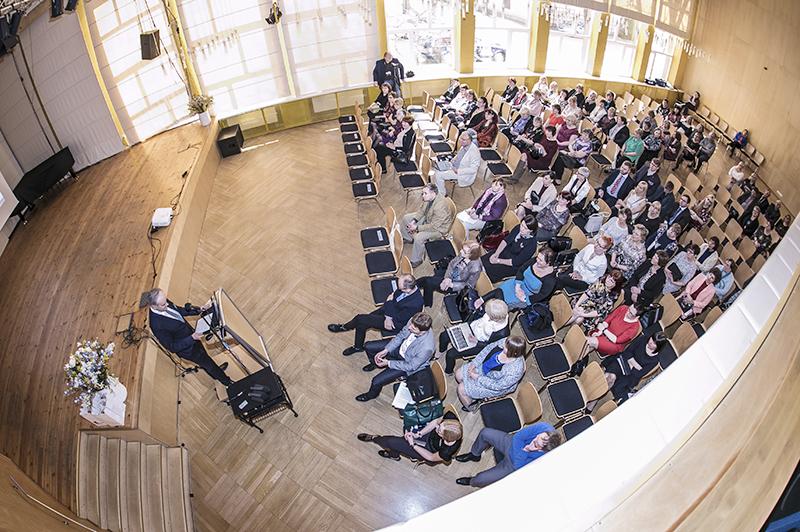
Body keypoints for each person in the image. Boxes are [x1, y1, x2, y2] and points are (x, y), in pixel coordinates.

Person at [146, 288, 233, 386]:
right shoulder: (156, 325)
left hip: (193, 337)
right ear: (154, 306)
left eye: (166, 301)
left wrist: (198, 310)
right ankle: (227, 382)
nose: (167, 304)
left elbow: (178, 311)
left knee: (207, 361)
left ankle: (216, 373)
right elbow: (172, 347)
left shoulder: (163, 302)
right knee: (208, 364)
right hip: (188, 350)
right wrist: (191, 338)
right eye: (163, 305)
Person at [328, 274, 423, 356]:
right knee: (362, 324)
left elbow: (398, 317)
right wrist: (389, 312)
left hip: (394, 323)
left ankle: (345, 327)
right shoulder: (410, 286)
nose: (398, 289)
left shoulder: (415, 304)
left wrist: (389, 302)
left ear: (408, 290)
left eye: (400, 288)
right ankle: (358, 347)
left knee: (360, 318)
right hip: (389, 312)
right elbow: (394, 296)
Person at [356, 312, 434, 401]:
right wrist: (386, 350)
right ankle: (375, 364)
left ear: (423, 332)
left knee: (376, 381)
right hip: (400, 348)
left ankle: (371, 395)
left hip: (406, 362)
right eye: (410, 325)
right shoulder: (413, 321)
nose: (409, 328)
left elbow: (411, 366)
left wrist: (388, 363)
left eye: (413, 328)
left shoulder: (427, 347)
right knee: (368, 346)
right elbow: (400, 336)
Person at [454, 423, 562, 487]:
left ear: (542, 450)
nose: (534, 440)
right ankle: (475, 455)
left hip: (512, 465)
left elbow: (518, 466)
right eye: (537, 437)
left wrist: (526, 450)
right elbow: (519, 436)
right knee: (485, 433)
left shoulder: (544, 458)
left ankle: (471, 481)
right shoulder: (544, 427)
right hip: (511, 443)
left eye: (536, 444)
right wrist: (520, 453)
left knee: (481, 479)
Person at [357, 411, 462, 463]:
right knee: (406, 429)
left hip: (427, 450)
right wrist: (418, 434)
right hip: (427, 434)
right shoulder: (450, 420)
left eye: (439, 430)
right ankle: (394, 455)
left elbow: (430, 457)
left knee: (391, 442)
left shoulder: (447, 451)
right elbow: (435, 423)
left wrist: (413, 444)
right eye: (441, 425)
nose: (437, 427)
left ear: (444, 437)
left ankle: (375, 438)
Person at [438, 299, 510, 376]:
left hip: (478, 343)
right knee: (444, 335)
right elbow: (497, 292)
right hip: (472, 327)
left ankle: (448, 372)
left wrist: (476, 342)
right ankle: (442, 350)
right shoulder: (498, 309)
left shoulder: (502, 333)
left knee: (450, 354)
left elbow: (491, 347)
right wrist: (481, 299)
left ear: (494, 318)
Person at [455, 336, 526, 411]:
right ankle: (471, 395)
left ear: (513, 353)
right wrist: (475, 363)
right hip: (482, 367)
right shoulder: (507, 342)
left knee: (461, 389)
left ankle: (472, 407)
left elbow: (497, 386)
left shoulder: (515, 371)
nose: (503, 345)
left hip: (492, 385)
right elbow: (488, 349)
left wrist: (478, 378)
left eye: (506, 347)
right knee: (458, 375)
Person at [476, 247, 557, 310]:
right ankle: (482, 300)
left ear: (548, 263)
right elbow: (521, 269)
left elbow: (541, 296)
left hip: (527, 295)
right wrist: (517, 286)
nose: (537, 260)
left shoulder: (550, 280)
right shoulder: (535, 261)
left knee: (502, 304)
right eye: (538, 257)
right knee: (500, 290)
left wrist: (525, 299)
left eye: (540, 260)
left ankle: (494, 313)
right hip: (519, 282)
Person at [600, 332, 667, 403]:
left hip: (631, 375)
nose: (650, 342)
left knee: (612, 378)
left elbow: (639, 374)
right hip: (623, 362)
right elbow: (627, 352)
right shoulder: (643, 339)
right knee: (610, 376)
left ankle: (596, 395)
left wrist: (631, 361)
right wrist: (636, 365)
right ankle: (597, 394)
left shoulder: (654, 360)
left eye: (654, 343)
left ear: (658, 347)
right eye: (652, 339)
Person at [400, 184, 453, 267]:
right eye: (422, 193)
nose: (423, 195)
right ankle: (408, 238)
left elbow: (434, 227)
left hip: (439, 228)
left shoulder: (440, 207)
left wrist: (416, 228)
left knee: (418, 238)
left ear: (433, 194)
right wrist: (414, 221)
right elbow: (421, 210)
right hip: (429, 217)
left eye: (425, 193)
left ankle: (416, 260)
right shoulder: (429, 198)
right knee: (406, 218)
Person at [417, 241, 483, 307]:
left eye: (464, 251)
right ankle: (426, 302)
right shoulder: (463, 254)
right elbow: (452, 264)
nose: (461, 251)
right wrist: (447, 278)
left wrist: (451, 284)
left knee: (427, 281)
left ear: (471, 255)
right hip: (451, 274)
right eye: (462, 248)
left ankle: (413, 286)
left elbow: (469, 286)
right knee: (429, 282)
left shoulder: (475, 268)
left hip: (456, 284)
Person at [482, 215, 539, 282]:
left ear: (531, 231)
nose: (522, 229)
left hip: (512, 265)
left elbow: (516, 262)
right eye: (522, 225)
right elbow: (506, 241)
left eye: (525, 228)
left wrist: (498, 261)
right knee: (482, 261)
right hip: (507, 251)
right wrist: (496, 253)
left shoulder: (531, 245)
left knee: (488, 269)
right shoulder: (518, 228)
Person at [434, 131, 481, 196]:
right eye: (460, 138)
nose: (461, 141)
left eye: (463, 139)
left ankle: (442, 194)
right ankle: (439, 189)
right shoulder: (465, 145)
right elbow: (460, 155)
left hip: (462, 173)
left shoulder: (474, 153)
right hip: (453, 166)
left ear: (469, 141)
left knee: (439, 174)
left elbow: (473, 170)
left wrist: (458, 171)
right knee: (437, 167)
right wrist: (454, 159)